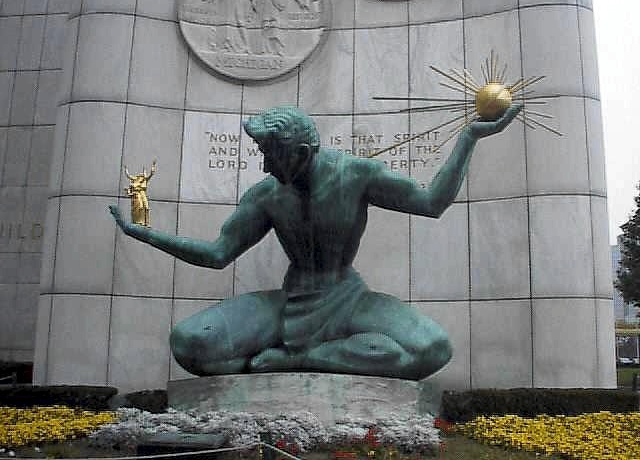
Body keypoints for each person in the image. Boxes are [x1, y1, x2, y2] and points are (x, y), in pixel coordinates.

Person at [109, 104, 522, 380]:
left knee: (434, 348)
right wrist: (146, 233)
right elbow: (218, 254)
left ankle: (298, 359)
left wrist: (469, 138)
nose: (265, 165)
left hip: (349, 299)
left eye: (270, 154)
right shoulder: (267, 195)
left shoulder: (356, 175)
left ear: (303, 153)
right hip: (289, 302)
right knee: (189, 343)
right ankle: (305, 356)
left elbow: (432, 203)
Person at [123, 160, 156, 227]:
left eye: (142, 176)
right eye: (140, 176)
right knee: (140, 207)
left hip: (143, 194)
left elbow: (151, 174)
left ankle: (146, 222)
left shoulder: (144, 180)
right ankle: (139, 221)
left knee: (146, 207)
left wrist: (153, 166)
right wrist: (126, 169)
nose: (141, 177)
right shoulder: (135, 181)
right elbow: (128, 176)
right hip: (137, 194)